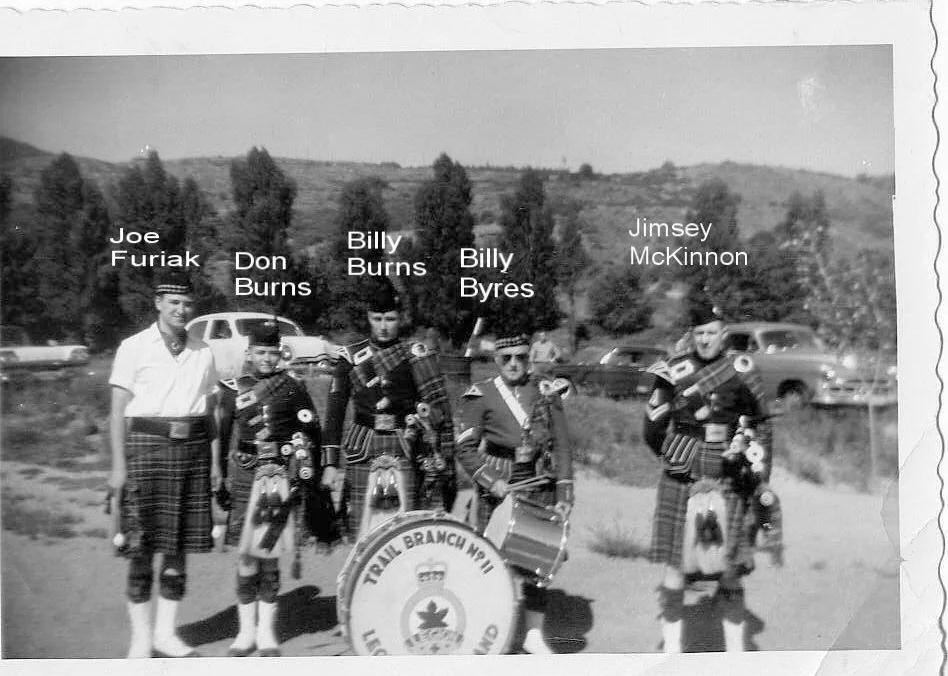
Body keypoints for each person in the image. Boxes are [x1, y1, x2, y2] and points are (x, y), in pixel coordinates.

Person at [643, 299, 774, 653]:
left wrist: (758, 475)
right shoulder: (672, 370)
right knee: (675, 567)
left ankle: (735, 655)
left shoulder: (743, 370)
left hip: (730, 476)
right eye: (699, 333)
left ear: (724, 334)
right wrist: (676, 459)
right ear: (692, 334)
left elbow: (761, 429)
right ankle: (672, 650)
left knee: (729, 568)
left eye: (711, 332)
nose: (705, 339)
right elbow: (652, 429)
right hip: (681, 477)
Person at [107, 271, 219, 658]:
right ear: (158, 303)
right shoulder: (133, 347)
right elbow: (117, 411)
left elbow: (209, 411)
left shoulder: (204, 350)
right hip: (145, 450)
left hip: (191, 454)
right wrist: (118, 467)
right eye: (173, 302)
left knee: (178, 548)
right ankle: (140, 640)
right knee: (140, 549)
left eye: (187, 303)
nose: (181, 309)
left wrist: (215, 463)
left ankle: (165, 634)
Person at [455, 334, 574, 654]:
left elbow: (562, 446)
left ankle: (533, 635)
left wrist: (565, 495)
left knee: (536, 557)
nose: (513, 364)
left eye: (520, 357)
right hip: (499, 478)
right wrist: (491, 481)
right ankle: (493, 630)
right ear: (496, 360)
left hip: (538, 478)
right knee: (491, 559)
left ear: (529, 357)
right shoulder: (481, 394)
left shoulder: (547, 391)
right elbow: (465, 448)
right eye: (506, 358)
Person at [216, 320, 324, 657]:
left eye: (272, 352)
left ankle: (266, 633)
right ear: (248, 353)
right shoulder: (233, 389)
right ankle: (245, 633)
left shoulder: (292, 388)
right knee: (247, 555)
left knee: (270, 552)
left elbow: (312, 431)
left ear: (281, 353)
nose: (266, 358)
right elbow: (221, 437)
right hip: (246, 473)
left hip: (278, 476)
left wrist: (306, 470)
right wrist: (218, 477)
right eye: (260, 352)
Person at [321, 279, 455, 539]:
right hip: (363, 448)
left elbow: (441, 413)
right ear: (368, 318)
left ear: (401, 318)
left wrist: (445, 464)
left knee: (404, 533)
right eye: (377, 318)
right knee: (362, 532)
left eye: (390, 319)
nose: (383, 327)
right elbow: (334, 416)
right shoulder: (349, 358)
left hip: (404, 446)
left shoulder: (417, 354)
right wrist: (329, 464)